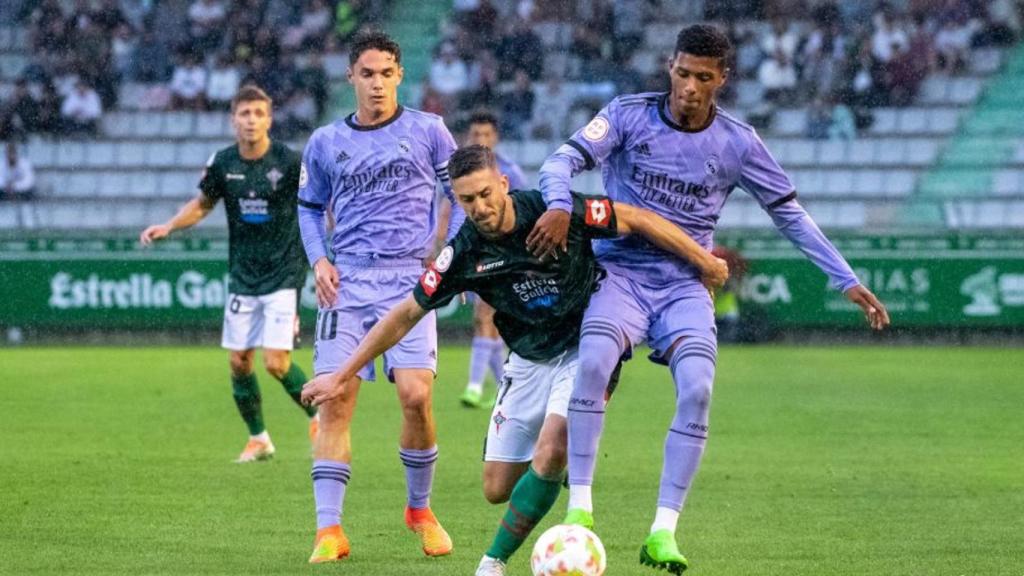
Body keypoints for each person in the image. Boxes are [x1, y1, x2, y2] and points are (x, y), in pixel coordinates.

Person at [535, 24, 891, 574]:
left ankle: (662, 532)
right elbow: (561, 160)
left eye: (704, 77)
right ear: (669, 68)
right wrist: (559, 203)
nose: (690, 87)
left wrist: (843, 278)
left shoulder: (738, 142)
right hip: (621, 274)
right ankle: (580, 508)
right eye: (682, 73)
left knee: (698, 389)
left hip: (685, 285)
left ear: (722, 79)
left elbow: (788, 213)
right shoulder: (627, 115)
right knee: (595, 365)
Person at [301, 144, 729, 576]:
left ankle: (493, 561)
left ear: (503, 183)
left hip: (585, 346)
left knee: (551, 449)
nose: (480, 208)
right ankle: (554, 473)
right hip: (526, 361)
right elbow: (406, 313)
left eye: (486, 194)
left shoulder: (552, 211)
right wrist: (343, 374)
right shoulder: (463, 253)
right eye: (467, 200)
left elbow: (636, 218)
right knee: (496, 488)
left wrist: (704, 262)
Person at [295, 31, 463, 564]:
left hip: (409, 282)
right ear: (351, 77)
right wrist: (319, 260)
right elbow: (307, 207)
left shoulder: (430, 131)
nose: (377, 83)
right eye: (367, 74)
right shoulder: (324, 142)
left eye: (386, 73)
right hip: (348, 283)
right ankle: (329, 530)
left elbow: (460, 195)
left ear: (400, 76)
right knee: (337, 399)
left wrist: (449, 255)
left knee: (416, 396)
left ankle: (419, 509)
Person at [140, 85, 316, 463]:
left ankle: (319, 417)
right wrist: (169, 226)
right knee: (238, 361)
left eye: (258, 113)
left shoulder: (289, 161)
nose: (251, 120)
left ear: (269, 119)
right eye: (244, 114)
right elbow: (203, 205)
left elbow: (316, 202)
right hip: (243, 275)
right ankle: (259, 439)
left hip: (284, 272)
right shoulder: (223, 163)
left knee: (276, 363)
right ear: (232, 120)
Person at [458, 110, 529, 409]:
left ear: (496, 138)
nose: (481, 140)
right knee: (485, 321)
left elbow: (528, 210)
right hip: (476, 251)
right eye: (476, 135)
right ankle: (505, 388)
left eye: (486, 135)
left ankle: (475, 387)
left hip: (504, 256)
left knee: (486, 317)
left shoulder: (510, 171)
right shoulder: (460, 174)